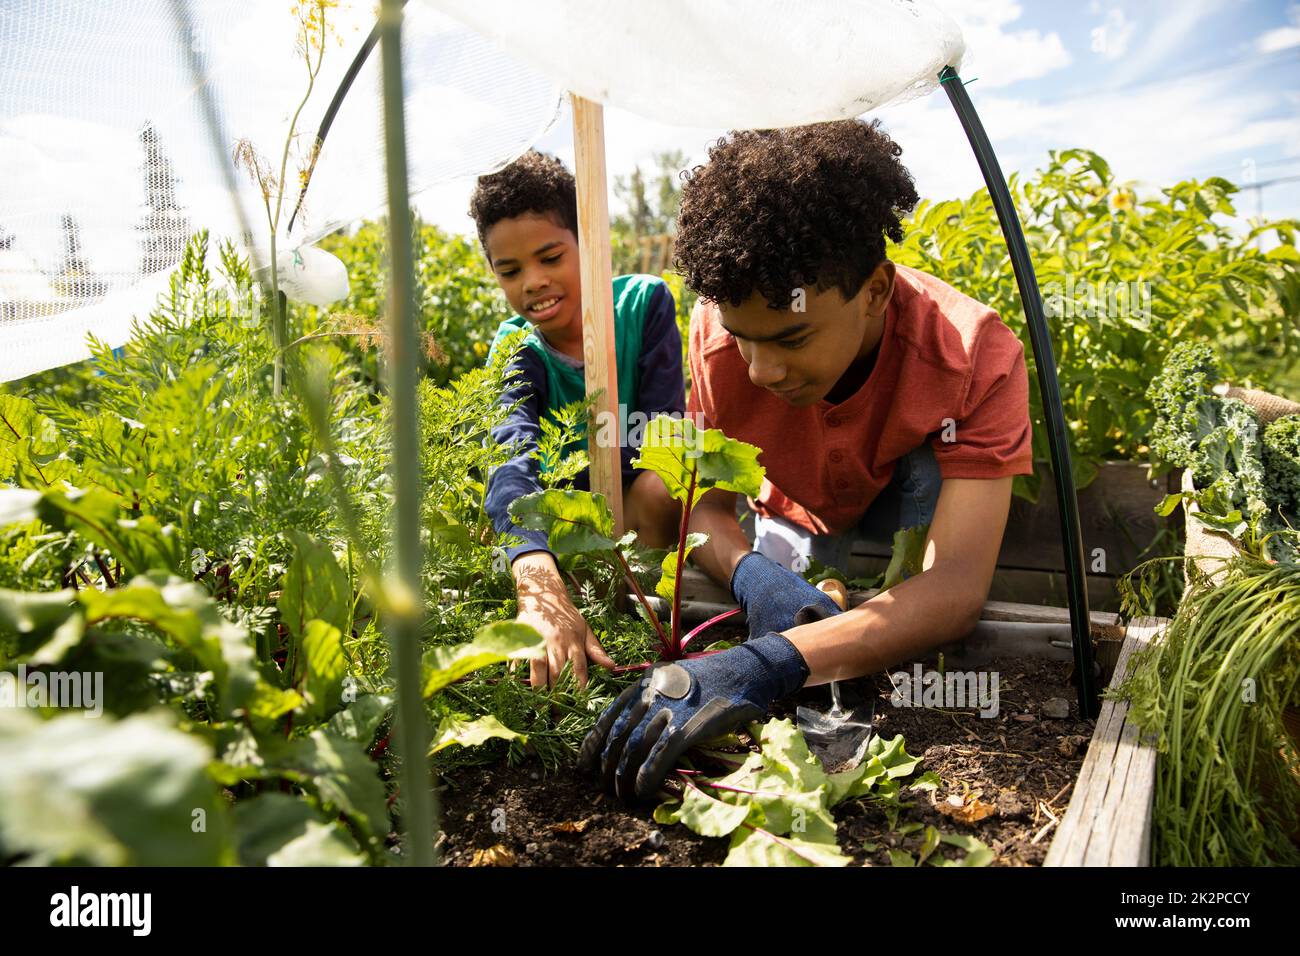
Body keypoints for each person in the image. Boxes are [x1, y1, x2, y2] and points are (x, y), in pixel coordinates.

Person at [581, 120, 1033, 801]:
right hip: (792, 515)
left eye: (791, 337)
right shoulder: (714, 335)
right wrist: (750, 574)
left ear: (876, 291)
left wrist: (768, 662)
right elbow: (700, 501)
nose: (761, 371)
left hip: (901, 535)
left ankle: (841, 645)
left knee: (917, 499)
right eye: (743, 340)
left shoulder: (971, 356)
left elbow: (957, 586)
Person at [473, 150, 685, 690]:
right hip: (557, 528)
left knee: (663, 486)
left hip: (638, 511)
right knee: (501, 523)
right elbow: (510, 457)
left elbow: (661, 433)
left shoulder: (644, 305)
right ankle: (571, 621)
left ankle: (643, 615)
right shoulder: (517, 346)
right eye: (511, 270)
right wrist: (539, 582)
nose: (534, 282)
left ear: (587, 242)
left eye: (550, 257)